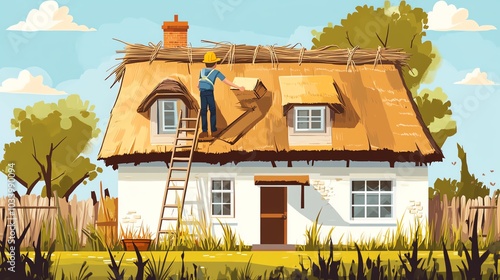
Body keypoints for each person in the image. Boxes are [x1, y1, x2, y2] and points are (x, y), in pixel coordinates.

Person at [198, 51, 245, 138]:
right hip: (209, 93)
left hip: (202, 93)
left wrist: (199, 86)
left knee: (203, 111)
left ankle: (204, 132)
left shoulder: (201, 71)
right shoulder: (216, 72)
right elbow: (226, 81)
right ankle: (213, 130)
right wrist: (238, 87)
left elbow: (199, 83)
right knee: (212, 111)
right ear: (215, 64)